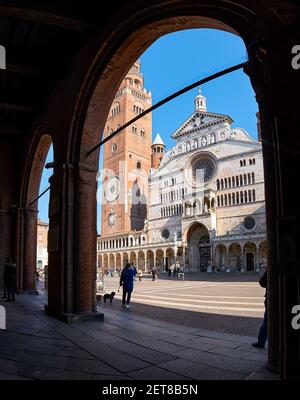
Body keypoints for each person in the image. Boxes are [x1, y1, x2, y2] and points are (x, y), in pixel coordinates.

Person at [253, 270, 267, 348]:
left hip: (273, 299)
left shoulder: (270, 269)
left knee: (267, 322)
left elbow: (262, 282)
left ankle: (261, 341)